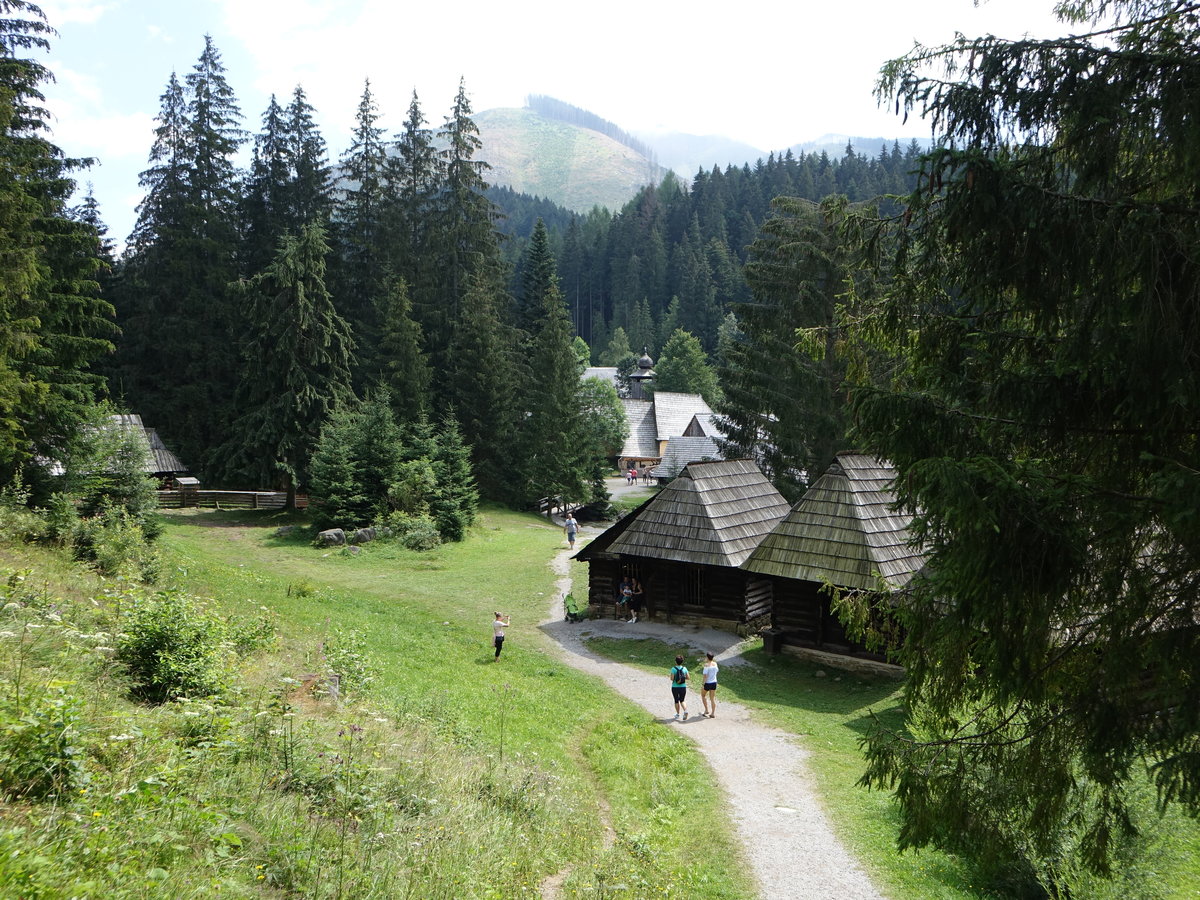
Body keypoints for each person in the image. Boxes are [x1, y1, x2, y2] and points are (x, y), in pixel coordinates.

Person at [670, 654, 690, 721]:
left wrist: (676, 679)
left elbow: (672, 678)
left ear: (675, 661)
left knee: (676, 700)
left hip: (675, 687)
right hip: (683, 687)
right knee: (682, 700)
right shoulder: (684, 668)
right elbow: (688, 677)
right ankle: (685, 710)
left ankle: (677, 714)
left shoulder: (673, 669)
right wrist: (682, 678)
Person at [701, 652, 719, 718]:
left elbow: (705, 676)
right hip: (714, 682)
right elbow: (716, 672)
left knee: (703, 695)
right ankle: (713, 713)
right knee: (712, 698)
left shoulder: (706, 665)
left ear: (707, 657)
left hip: (707, 683)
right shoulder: (715, 664)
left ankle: (706, 710)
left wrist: (703, 684)